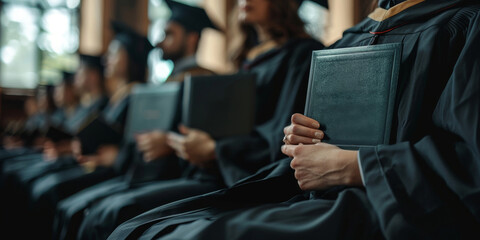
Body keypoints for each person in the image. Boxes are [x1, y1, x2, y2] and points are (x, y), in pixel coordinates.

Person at [107, 0, 480, 239]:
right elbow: (295, 139)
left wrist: (356, 166)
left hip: (392, 209)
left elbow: (468, 162)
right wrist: (298, 139)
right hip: (313, 194)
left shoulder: (463, 24)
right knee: (139, 226)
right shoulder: (352, 39)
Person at [63, 0, 324, 239]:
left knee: (118, 216)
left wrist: (214, 150)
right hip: (215, 170)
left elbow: (279, 136)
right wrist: (191, 144)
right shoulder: (247, 59)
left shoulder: (301, 55)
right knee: (96, 211)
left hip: (249, 179)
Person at [53, 2, 218, 239]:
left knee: (104, 214)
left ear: (192, 38)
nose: (160, 42)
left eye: (169, 34)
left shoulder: (205, 82)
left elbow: (201, 145)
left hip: (176, 176)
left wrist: (166, 144)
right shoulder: (163, 85)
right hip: (141, 172)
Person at [1, 22, 153, 239]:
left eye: (113, 53)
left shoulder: (138, 97)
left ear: (129, 58)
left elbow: (126, 146)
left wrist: (115, 155)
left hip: (116, 170)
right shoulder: (119, 98)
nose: (106, 59)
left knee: (55, 195)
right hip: (99, 164)